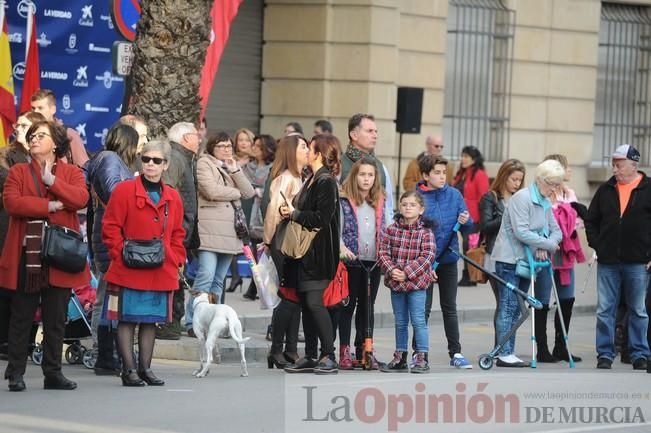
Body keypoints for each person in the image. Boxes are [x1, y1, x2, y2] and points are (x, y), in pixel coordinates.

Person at [1, 120, 90, 391]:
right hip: (26, 256)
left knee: (55, 319)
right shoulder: (18, 171)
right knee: (21, 318)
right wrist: (49, 205)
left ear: (56, 143)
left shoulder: (71, 172)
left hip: (59, 257)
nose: (35, 139)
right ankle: (15, 372)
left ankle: (53, 373)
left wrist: (52, 181)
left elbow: (80, 199)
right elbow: (13, 203)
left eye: (41, 135)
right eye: (32, 136)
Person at [102, 139, 186, 386]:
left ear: (166, 165)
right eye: (146, 159)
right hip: (128, 267)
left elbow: (179, 232)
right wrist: (120, 253)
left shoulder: (173, 196)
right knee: (127, 319)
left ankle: (145, 369)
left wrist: (178, 256)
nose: (150, 164)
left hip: (161, 268)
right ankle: (128, 371)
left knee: (151, 320)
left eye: (156, 160)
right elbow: (110, 227)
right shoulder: (124, 190)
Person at [490, 159, 563, 367]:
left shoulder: (545, 201)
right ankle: (504, 353)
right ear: (540, 180)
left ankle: (506, 351)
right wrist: (547, 243)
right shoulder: (522, 199)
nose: (554, 189)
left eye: (557, 184)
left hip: (527, 260)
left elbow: (556, 230)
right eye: (552, 184)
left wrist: (545, 244)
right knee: (508, 305)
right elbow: (521, 231)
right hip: (509, 259)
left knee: (517, 308)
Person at [585, 144, 651, 371]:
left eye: (619, 165)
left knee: (638, 310)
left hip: (639, 260)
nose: (615, 169)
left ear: (634, 165)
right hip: (608, 260)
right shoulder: (605, 190)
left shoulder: (648, 188)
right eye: (613, 164)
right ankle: (605, 354)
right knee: (605, 309)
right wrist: (598, 244)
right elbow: (591, 220)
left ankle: (639, 354)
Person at [280, 134, 341, 374]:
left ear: (318, 153)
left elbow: (322, 218)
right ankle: (311, 355)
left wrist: (294, 214)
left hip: (319, 254)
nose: (305, 152)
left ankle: (329, 354)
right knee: (306, 303)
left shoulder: (325, 181)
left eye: (310, 149)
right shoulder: (312, 179)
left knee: (315, 303)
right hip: (304, 255)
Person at [184, 132, 255, 333]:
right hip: (209, 230)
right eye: (221, 146)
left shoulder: (232, 166)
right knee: (205, 277)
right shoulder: (204, 163)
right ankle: (192, 321)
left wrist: (235, 171)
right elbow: (211, 191)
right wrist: (236, 193)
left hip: (230, 234)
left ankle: (213, 321)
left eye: (228, 146)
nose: (226, 149)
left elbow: (249, 192)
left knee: (218, 281)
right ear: (212, 148)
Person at [86, 124, 138, 375]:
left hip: (114, 235)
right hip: (110, 238)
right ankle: (104, 354)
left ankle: (111, 353)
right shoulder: (110, 159)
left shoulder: (114, 161)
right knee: (108, 297)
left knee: (112, 298)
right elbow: (115, 194)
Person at [416, 155, 474, 369]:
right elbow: (414, 232)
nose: (442, 177)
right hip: (424, 263)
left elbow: (469, 227)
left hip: (448, 260)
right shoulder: (418, 198)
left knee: (449, 307)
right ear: (425, 175)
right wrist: (424, 264)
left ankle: (456, 352)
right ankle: (420, 353)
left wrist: (466, 222)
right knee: (423, 310)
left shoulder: (454, 195)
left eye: (444, 173)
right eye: (437, 173)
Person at [0, 112, 47, 359]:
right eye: (19, 125)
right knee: (12, 295)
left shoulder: (56, 163)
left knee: (37, 299)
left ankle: (27, 345)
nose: (20, 128)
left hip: (43, 240)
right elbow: (12, 199)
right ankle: (8, 345)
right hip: (10, 230)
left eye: (26, 126)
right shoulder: (7, 156)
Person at [378, 191, 437, 373]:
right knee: (400, 321)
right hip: (396, 283)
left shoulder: (425, 233)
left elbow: (427, 257)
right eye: (404, 204)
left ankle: (421, 356)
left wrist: (406, 273)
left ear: (421, 209)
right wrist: (392, 270)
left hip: (417, 285)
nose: (408, 207)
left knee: (418, 320)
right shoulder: (392, 230)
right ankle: (400, 356)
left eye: (412, 205)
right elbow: (383, 252)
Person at [264, 134, 309, 368]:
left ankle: (291, 348)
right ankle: (277, 349)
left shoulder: (300, 177)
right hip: (284, 242)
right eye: (303, 147)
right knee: (287, 297)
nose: (308, 150)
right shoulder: (286, 178)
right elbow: (274, 211)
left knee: (296, 296)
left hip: (296, 243)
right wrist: (269, 242)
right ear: (291, 152)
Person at [338, 157, 385, 369]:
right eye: (362, 175)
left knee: (367, 308)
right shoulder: (345, 199)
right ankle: (344, 350)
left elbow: (385, 226)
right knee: (348, 307)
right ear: (355, 176)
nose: (366, 179)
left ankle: (365, 349)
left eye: (370, 175)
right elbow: (337, 228)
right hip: (351, 261)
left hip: (372, 262)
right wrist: (342, 249)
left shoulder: (379, 200)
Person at [156, 122, 200, 339]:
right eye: (195, 135)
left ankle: (172, 322)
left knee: (176, 277)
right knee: (172, 278)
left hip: (181, 232)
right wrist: (176, 231)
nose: (199, 138)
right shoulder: (175, 158)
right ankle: (168, 324)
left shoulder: (184, 158)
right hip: (175, 233)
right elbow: (168, 196)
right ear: (185, 139)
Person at [542, 154, 586, 363]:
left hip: (565, 251)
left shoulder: (570, 194)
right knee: (542, 299)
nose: (569, 172)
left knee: (566, 299)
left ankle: (561, 345)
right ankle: (541, 347)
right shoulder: (543, 195)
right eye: (565, 168)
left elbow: (578, 223)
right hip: (546, 250)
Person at [478, 159, 526, 345]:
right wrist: (508, 216)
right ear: (504, 177)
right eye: (514, 179)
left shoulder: (521, 198)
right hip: (495, 255)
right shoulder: (491, 197)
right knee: (504, 303)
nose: (517, 184)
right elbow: (485, 225)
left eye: (520, 180)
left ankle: (504, 345)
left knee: (513, 305)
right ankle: (501, 347)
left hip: (518, 257)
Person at [242, 134, 276, 301]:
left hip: (263, 215)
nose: (253, 148)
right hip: (248, 213)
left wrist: (260, 192)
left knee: (262, 254)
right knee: (254, 253)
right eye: (253, 145)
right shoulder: (248, 167)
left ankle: (256, 288)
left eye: (258, 146)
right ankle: (255, 287)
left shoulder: (272, 168)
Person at [452, 146, 490, 287]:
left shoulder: (479, 174)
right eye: (463, 156)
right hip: (459, 215)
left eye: (466, 156)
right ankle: (467, 275)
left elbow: (484, 197)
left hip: (473, 217)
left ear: (474, 159)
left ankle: (470, 276)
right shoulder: (461, 173)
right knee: (462, 244)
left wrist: (482, 220)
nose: (463, 159)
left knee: (469, 245)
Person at [30, 89, 88, 167]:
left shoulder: (68, 133)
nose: (35, 112)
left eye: (40, 108)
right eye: (33, 108)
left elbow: (84, 168)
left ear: (53, 110)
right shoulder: (27, 134)